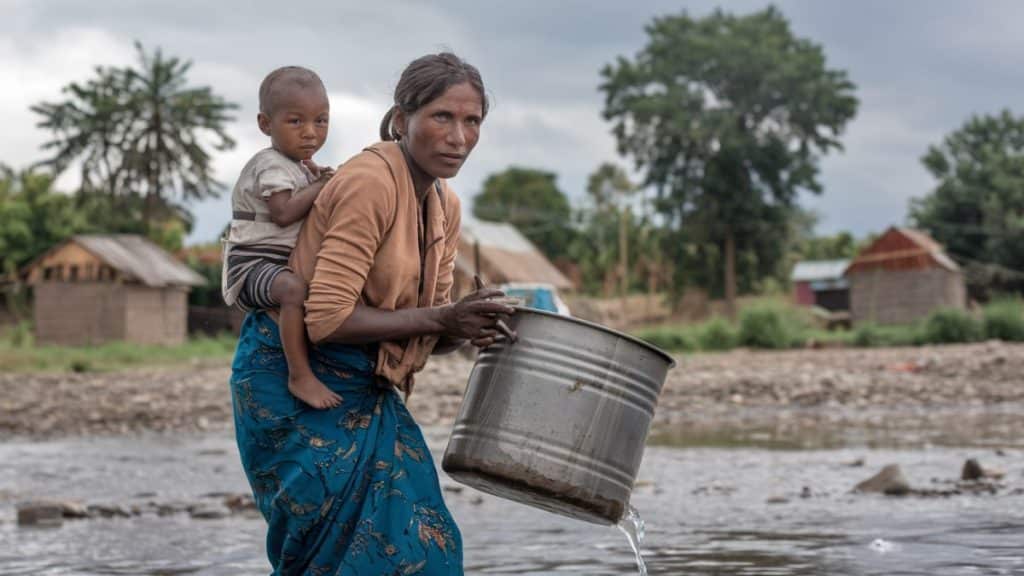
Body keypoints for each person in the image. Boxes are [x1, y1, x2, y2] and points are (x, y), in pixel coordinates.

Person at [230, 53, 514, 575]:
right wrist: (445, 319)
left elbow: (429, 326)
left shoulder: (444, 206)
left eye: (471, 121)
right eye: (442, 117)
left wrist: (473, 325)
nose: (458, 136)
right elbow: (328, 319)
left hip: (369, 389)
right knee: (332, 557)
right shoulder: (371, 181)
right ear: (402, 120)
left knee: (426, 548)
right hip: (296, 383)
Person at [222, 66, 341, 410]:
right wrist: (320, 186)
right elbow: (283, 213)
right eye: (295, 122)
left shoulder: (300, 166)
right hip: (251, 263)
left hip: (277, 261)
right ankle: (299, 375)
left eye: (321, 121)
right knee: (293, 290)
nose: (310, 133)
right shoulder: (270, 165)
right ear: (265, 124)